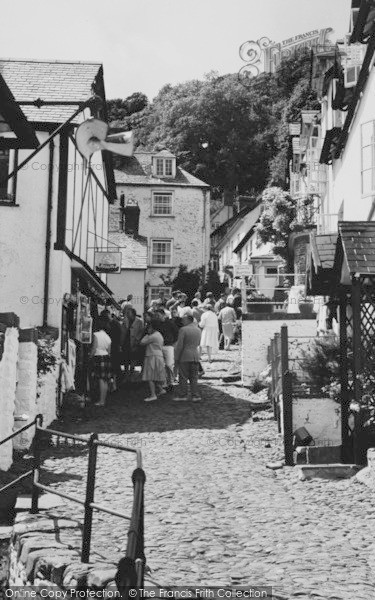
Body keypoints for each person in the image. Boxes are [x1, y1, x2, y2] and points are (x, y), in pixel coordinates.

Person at [174, 308, 202, 402]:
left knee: (183, 377)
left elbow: (180, 345)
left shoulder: (183, 329)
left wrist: (176, 358)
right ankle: (195, 396)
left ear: (188, 320)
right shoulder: (198, 330)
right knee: (194, 377)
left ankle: (183, 395)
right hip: (195, 355)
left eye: (183, 319)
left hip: (185, 356)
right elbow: (198, 343)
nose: (182, 321)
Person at [140, 319, 166, 401]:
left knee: (150, 376)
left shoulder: (152, 336)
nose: (147, 329)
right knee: (155, 375)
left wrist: (147, 335)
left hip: (152, 356)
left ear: (152, 327)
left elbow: (142, 342)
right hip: (158, 356)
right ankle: (161, 389)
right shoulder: (159, 335)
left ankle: (153, 394)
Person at [90, 316, 112, 406]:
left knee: (100, 380)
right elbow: (109, 351)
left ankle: (101, 401)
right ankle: (103, 399)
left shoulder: (96, 335)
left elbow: (94, 348)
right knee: (105, 380)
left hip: (98, 357)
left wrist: (90, 356)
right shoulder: (108, 337)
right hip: (106, 357)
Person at [155, 308, 179, 391]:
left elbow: (177, 333)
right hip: (159, 346)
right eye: (156, 315)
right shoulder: (157, 324)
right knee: (161, 366)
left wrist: (174, 344)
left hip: (169, 346)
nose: (157, 317)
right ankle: (164, 382)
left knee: (169, 365)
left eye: (158, 315)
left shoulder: (170, 323)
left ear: (163, 315)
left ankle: (171, 382)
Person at [122, 308, 144, 380]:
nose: (128, 315)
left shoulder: (139, 321)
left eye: (129, 313)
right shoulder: (126, 321)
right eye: (127, 313)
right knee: (125, 358)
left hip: (134, 343)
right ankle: (126, 372)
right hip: (126, 342)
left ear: (133, 314)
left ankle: (131, 373)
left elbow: (141, 332)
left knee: (133, 358)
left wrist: (137, 341)